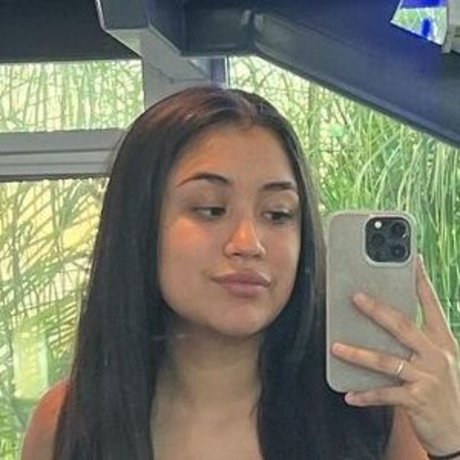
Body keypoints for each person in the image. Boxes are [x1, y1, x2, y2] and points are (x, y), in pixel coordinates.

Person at [22, 86, 460, 460]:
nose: (249, 243)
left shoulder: (370, 414)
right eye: (210, 209)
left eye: (278, 214)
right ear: (139, 223)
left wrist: (452, 442)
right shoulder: (68, 422)